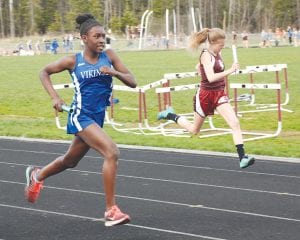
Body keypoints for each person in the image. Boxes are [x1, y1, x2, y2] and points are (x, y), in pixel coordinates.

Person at [24, 13, 137, 227]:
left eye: (104, 36)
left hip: (97, 117)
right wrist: (55, 97)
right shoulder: (73, 61)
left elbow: (133, 81)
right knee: (112, 152)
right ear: (85, 38)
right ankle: (111, 210)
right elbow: (44, 72)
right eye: (97, 36)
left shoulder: (110, 56)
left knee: (70, 161)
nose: (102, 40)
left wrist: (114, 73)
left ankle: (37, 175)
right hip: (80, 115)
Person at [157, 28, 255, 169]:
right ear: (213, 43)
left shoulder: (217, 52)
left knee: (235, 122)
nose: (222, 47)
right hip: (205, 96)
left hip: (219, 94)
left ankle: (242, 158)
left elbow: (204, 67)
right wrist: (231, 70)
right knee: (194, 130)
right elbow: (210, 77)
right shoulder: (206, 55)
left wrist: (201, 68)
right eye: (220, 45)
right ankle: (170, 115)